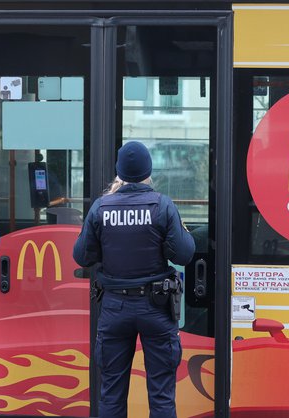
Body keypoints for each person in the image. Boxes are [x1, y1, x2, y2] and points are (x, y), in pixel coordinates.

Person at [73, 141, 195, 418]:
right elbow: (185, 253)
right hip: (156, 307)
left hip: (114, 308)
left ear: (119, 172)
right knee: (162, 395)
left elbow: (82, 256)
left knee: (112, 394)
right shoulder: (162, 206)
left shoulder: (101, 208)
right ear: (148, 172)